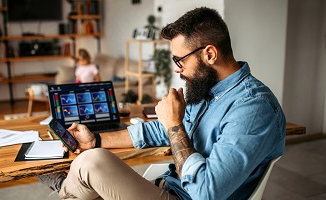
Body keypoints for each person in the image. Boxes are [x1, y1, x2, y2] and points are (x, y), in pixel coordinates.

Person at [38, 7, 286, 200]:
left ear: (209, 54)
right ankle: (72, 187)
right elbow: (157, 130)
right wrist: (96, 140)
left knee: (91, 163)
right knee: (93, 156)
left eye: (180, 60)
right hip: (165, 187)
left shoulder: (253, 109)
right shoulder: (207, 92)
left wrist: (174, 123)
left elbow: (206, 193)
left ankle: (67, 187)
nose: (178, 70)